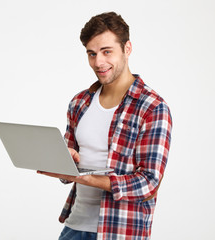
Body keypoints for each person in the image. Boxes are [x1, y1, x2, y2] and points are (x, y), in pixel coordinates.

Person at [38, 11, 172, 240]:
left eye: (106, 51)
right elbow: (67, 171)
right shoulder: (79, 103)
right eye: (91, 53)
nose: (98, 62)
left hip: (120, 232)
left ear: (127, 49)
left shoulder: (152, 107)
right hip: (74, 227)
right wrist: (64, 160)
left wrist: (92, 180)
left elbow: (149, 182)